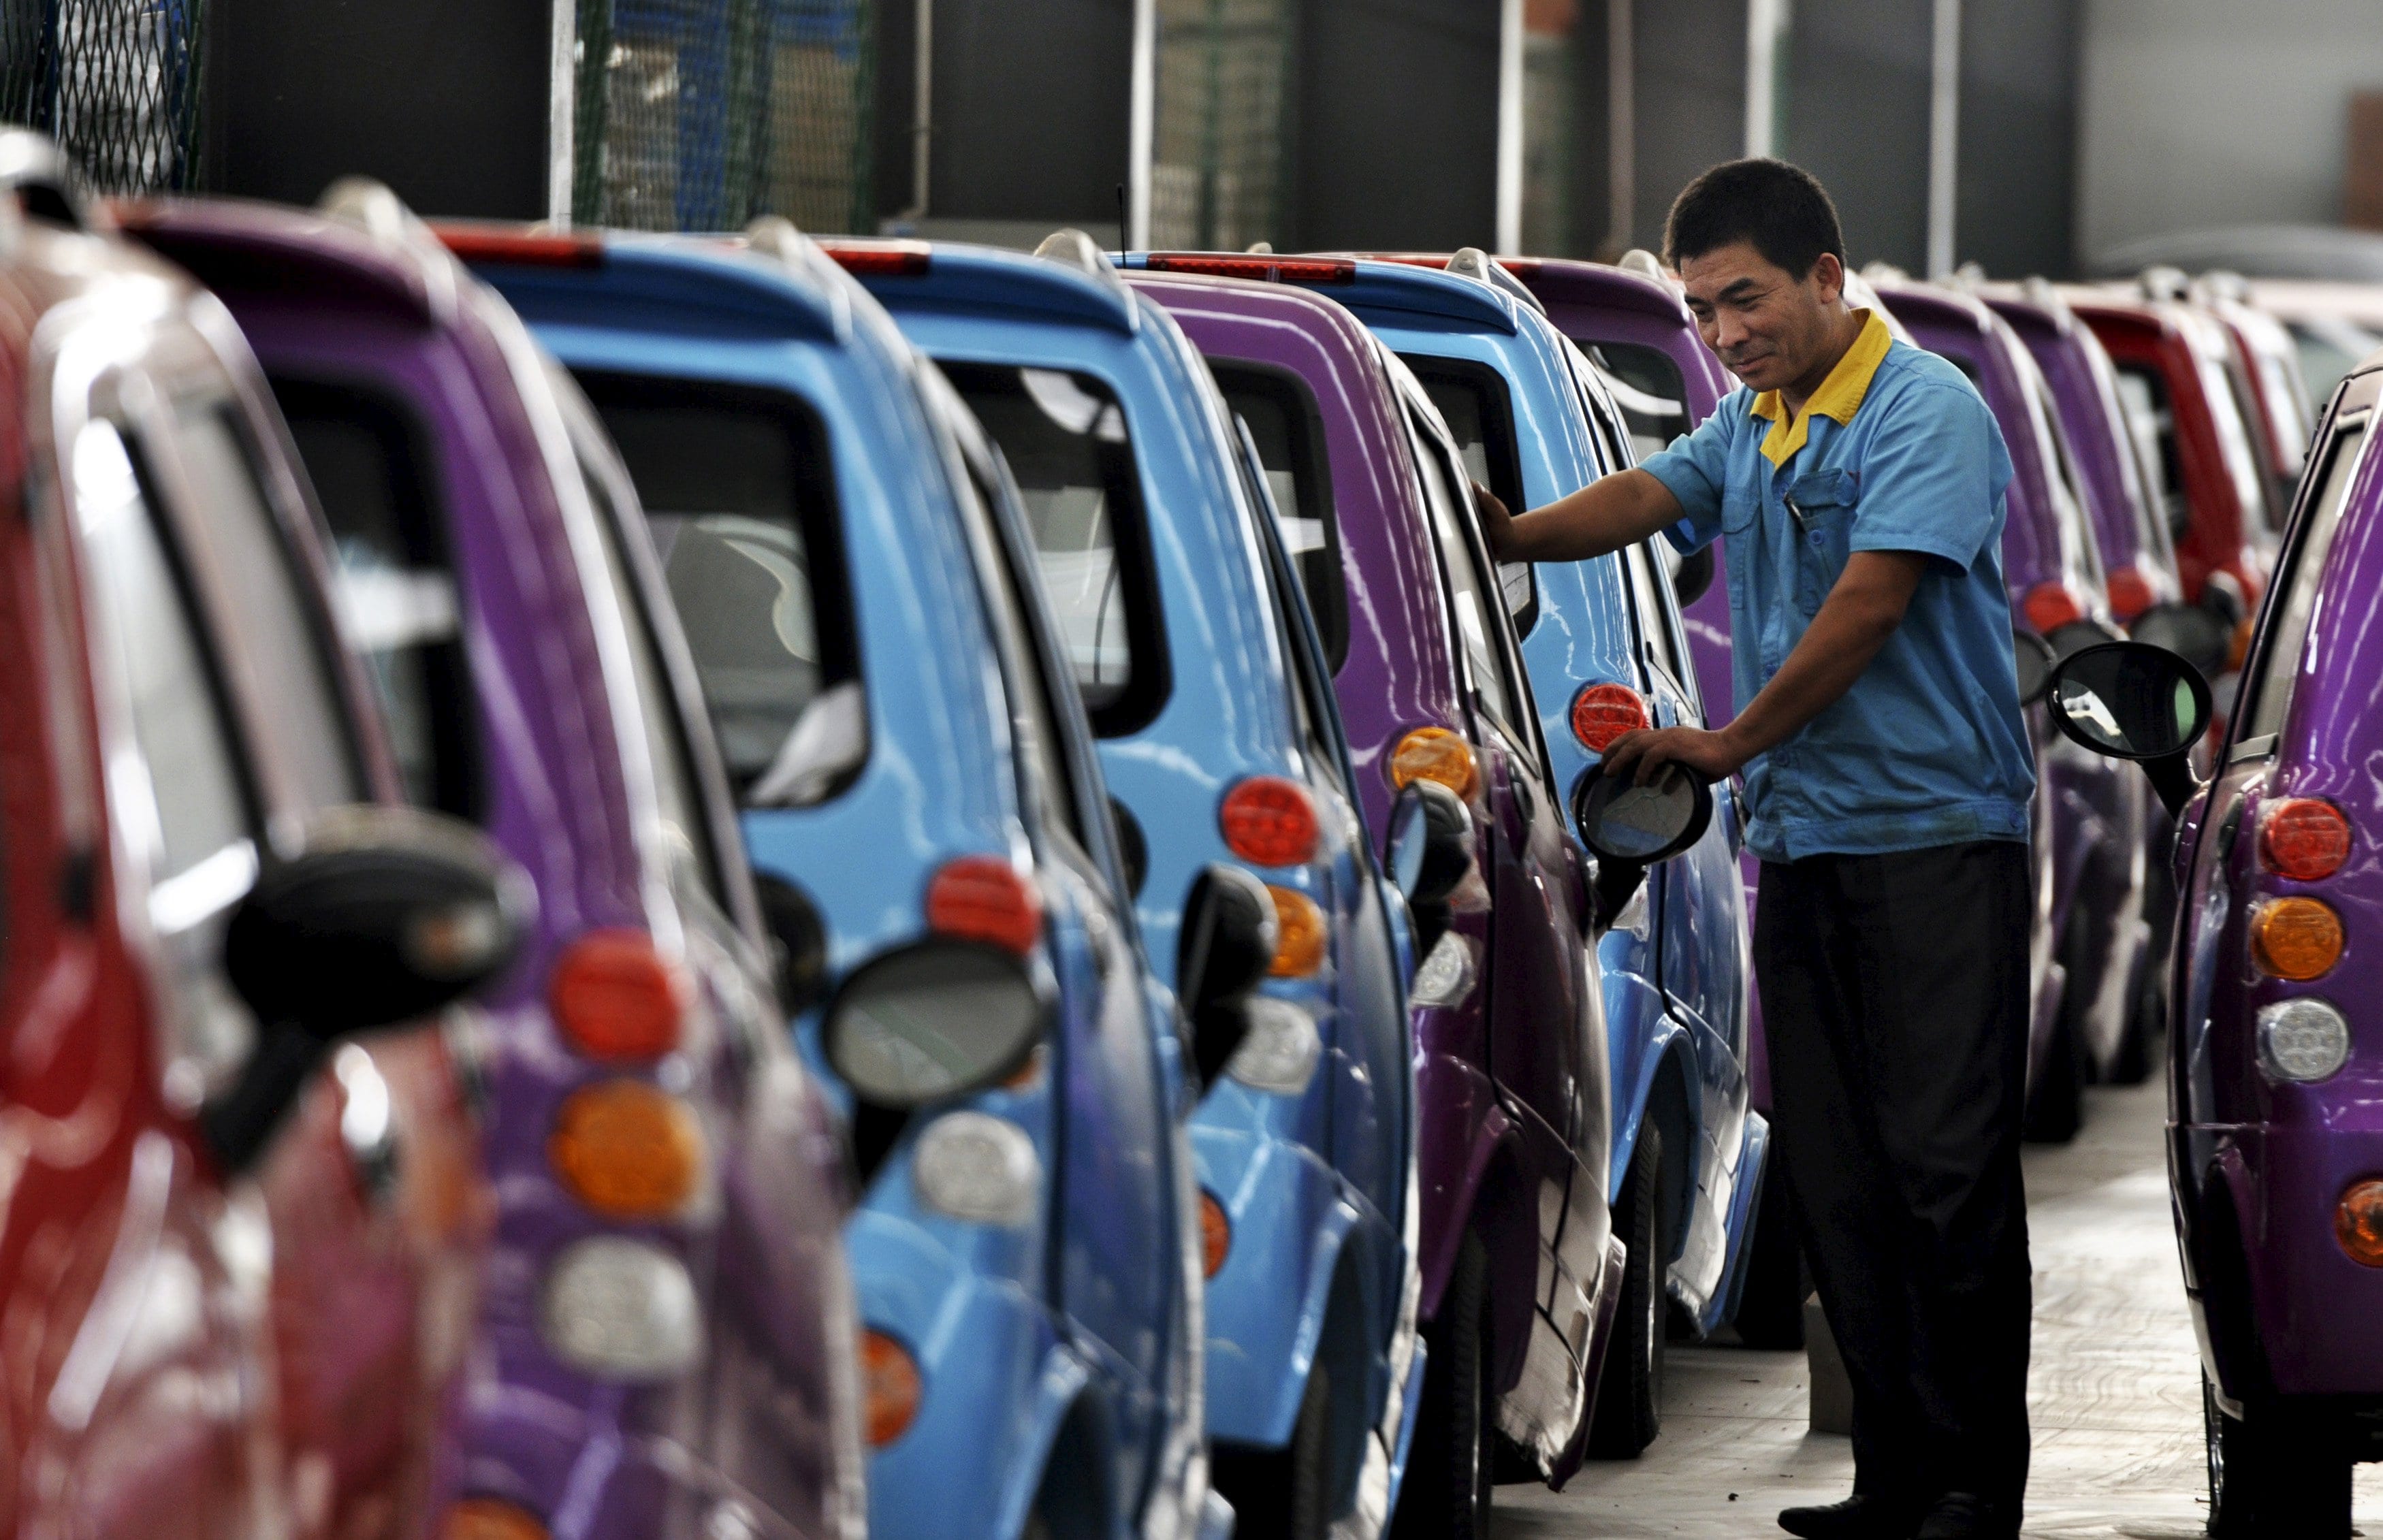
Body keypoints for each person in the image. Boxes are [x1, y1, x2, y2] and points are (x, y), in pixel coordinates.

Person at [1471, 159, 2035, 1540]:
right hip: (1813, 846)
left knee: (1942, 1173)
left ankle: (1973, 1486)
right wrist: (1501, 535)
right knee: (1839, 1174)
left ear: (1826, 282)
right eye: (1702, 311)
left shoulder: (1925, 412)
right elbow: (1653, 492)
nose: (1722, 335)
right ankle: (1895, 1478)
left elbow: (1869, 605)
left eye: (1743, 302)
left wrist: (1725, 742)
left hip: (1936, 848)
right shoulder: (1762, 419)